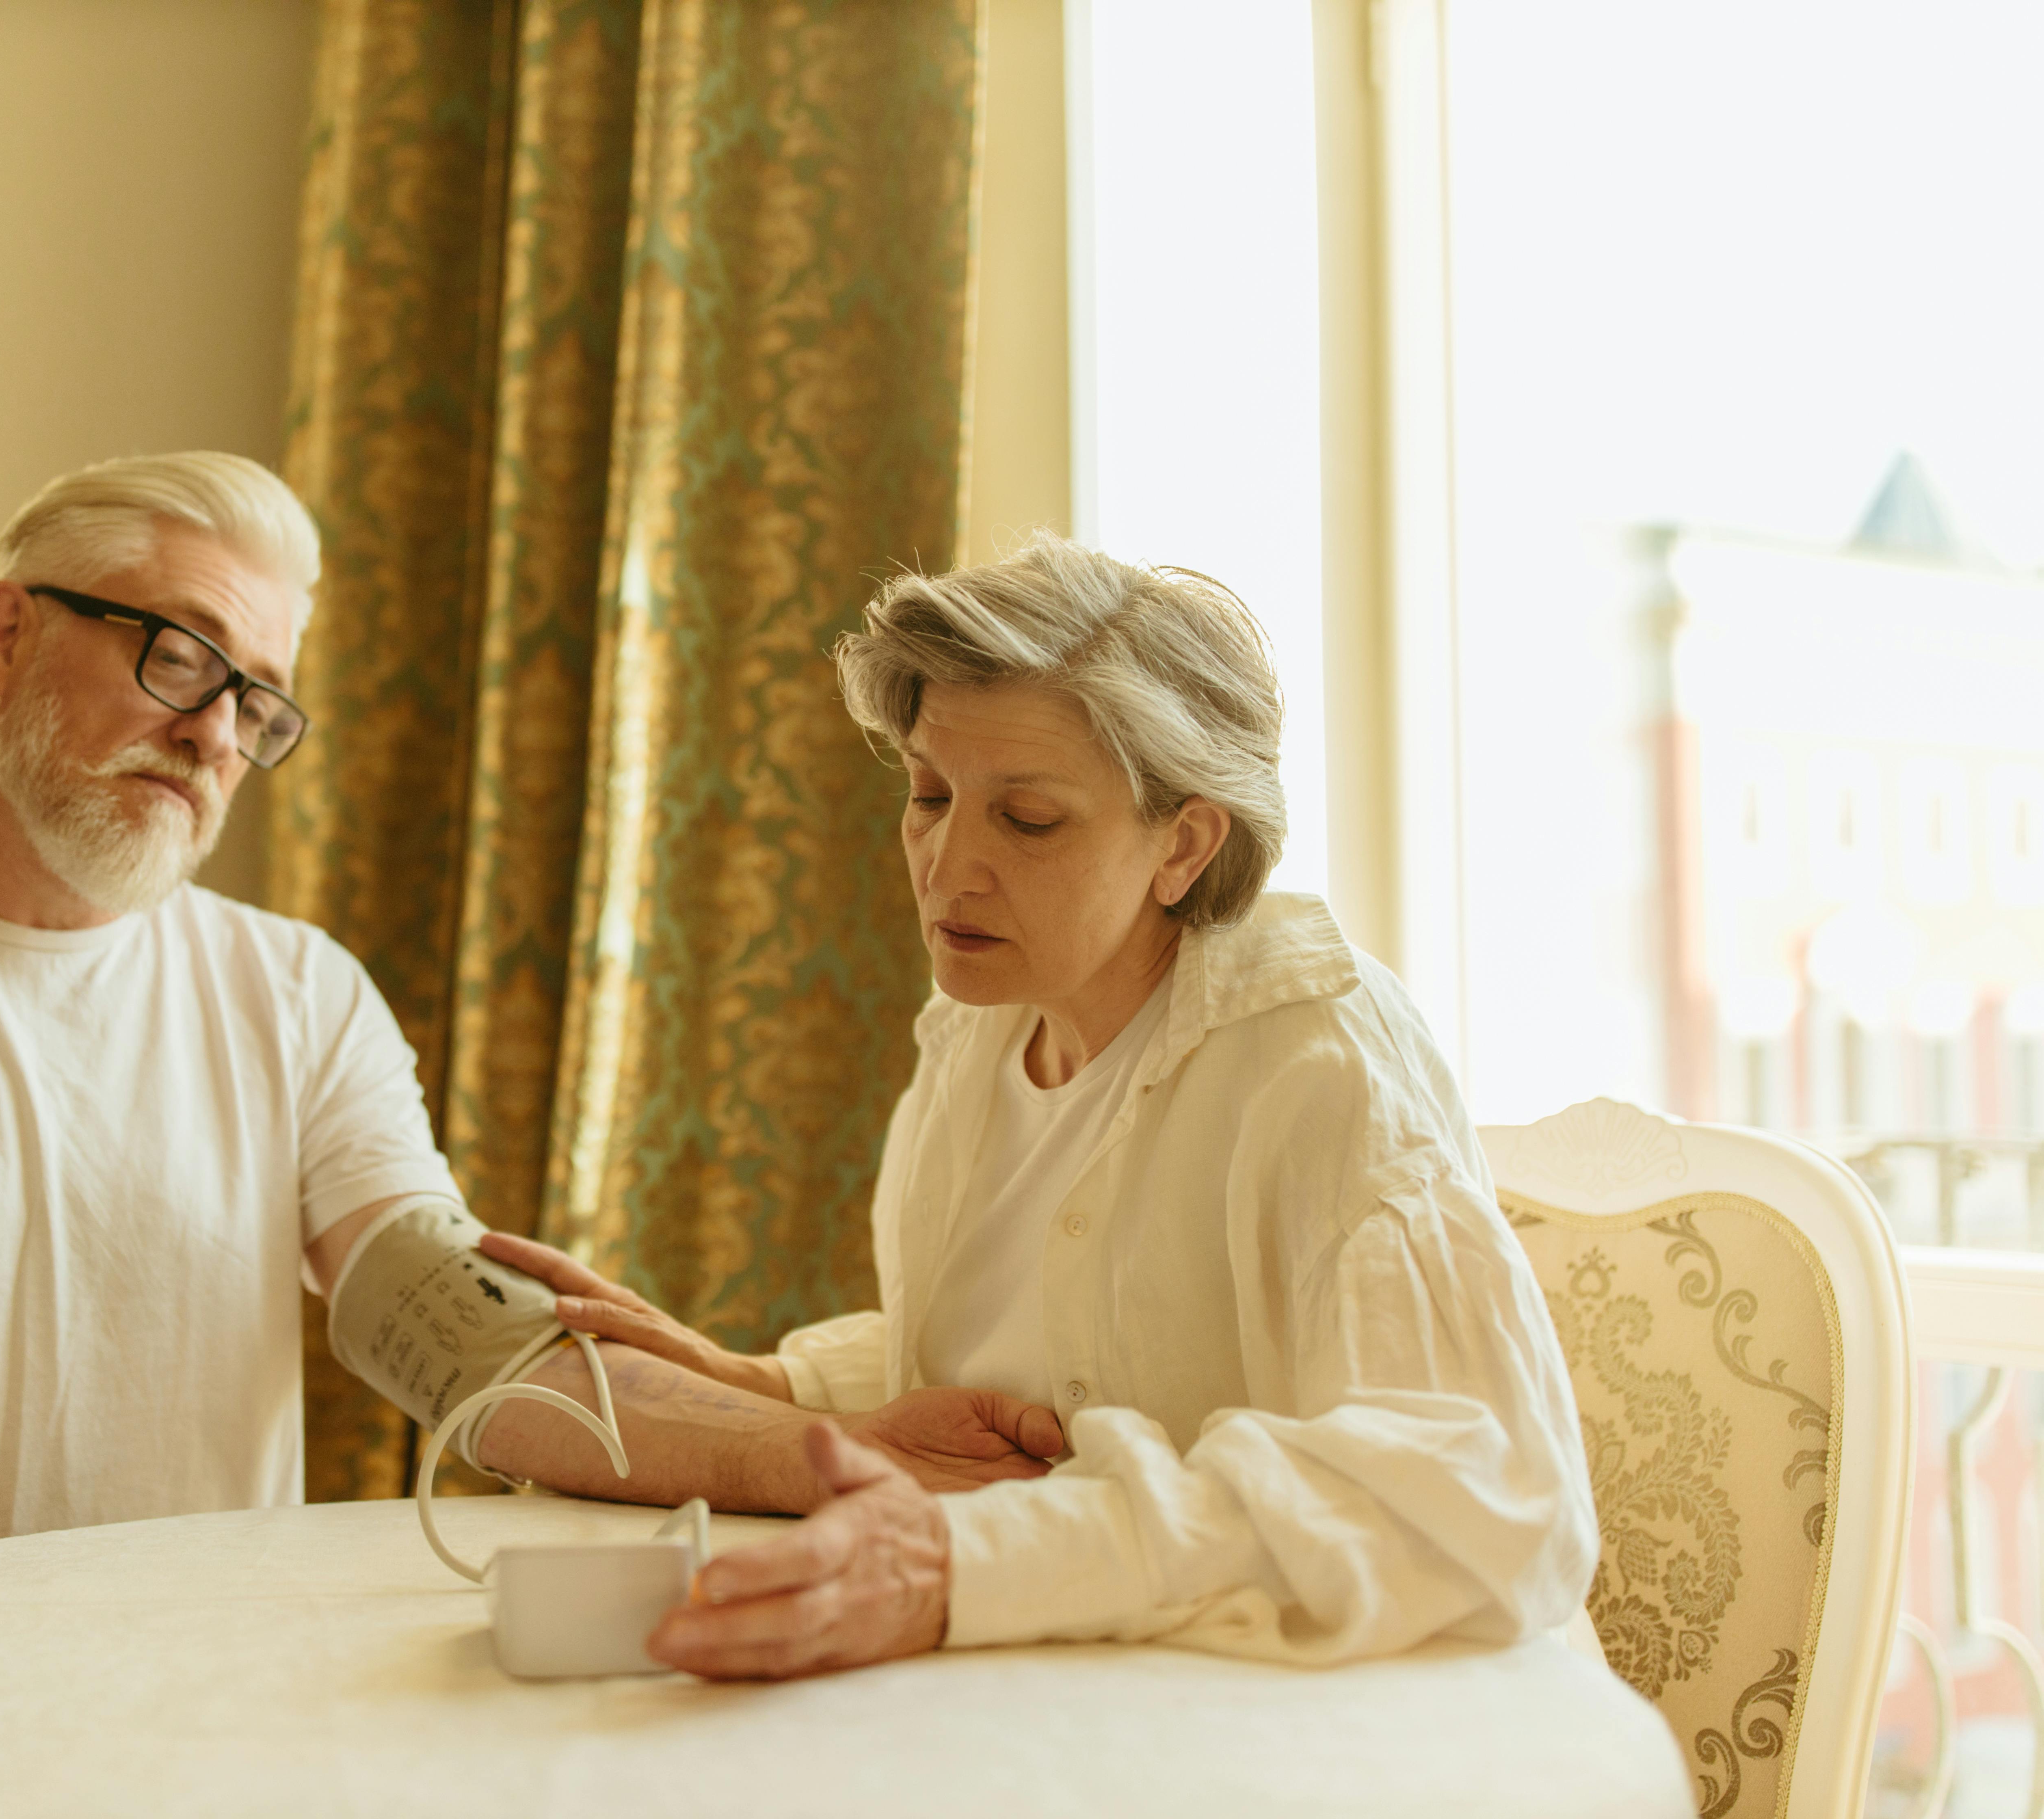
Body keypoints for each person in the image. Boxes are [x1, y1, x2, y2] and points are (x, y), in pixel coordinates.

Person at [0, 452, 1060, 1602]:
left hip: (206, 1721)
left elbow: (465, 1346)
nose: (217, 732)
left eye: (260, 701)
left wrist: (819, 1454)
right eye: (176, 655)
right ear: (7, 635)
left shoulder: (297, 992)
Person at [484, 532, 1599, 1680]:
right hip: (1075, 1692)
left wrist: (967, 1564)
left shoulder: (1319, 1054)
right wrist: (769, 1385)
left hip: (1341, 1733)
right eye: (928, 794)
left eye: (1028, 821)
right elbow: (1064, 1362)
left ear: (1185, 844)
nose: (947, 865)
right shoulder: (984, 1021)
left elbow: (1484, 1498)